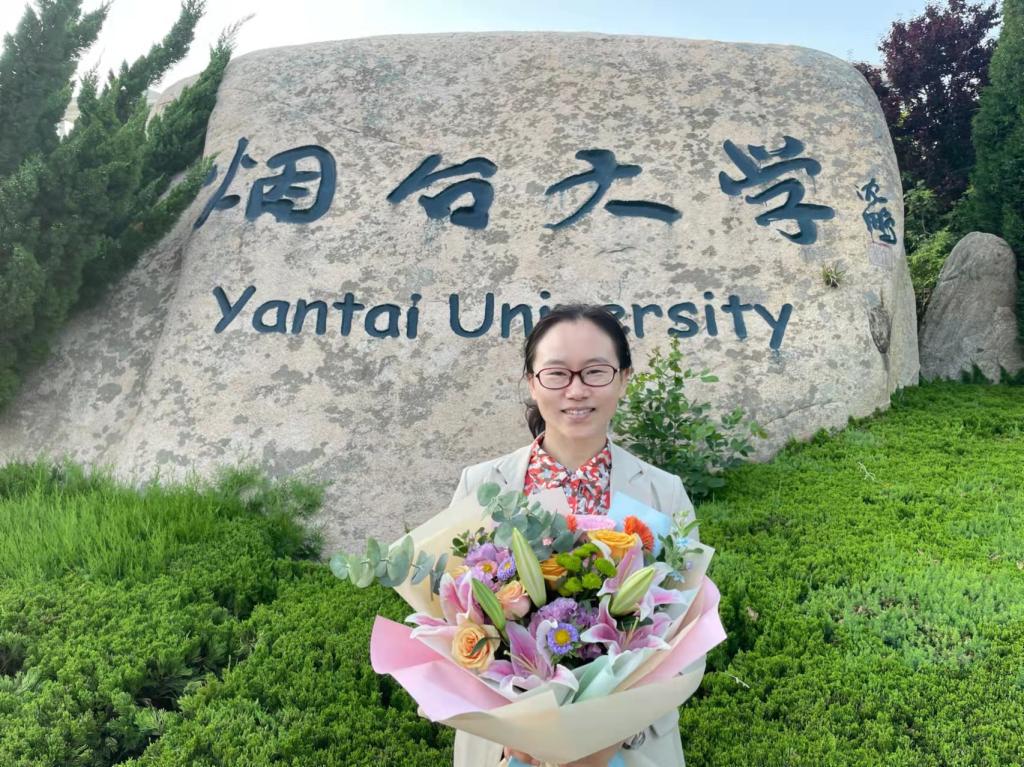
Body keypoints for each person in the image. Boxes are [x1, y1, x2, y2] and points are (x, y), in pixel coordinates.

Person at [449, 303, 699, 767]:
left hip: (627, 751)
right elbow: (454, 620)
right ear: (532, 382)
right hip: (509, 753)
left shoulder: (663, 493)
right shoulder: (481, 485)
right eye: (557, 373)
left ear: (624, 378)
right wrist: (514, 734)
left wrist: (608, 736)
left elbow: (688, 637)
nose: (577, 389)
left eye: (596, 372)